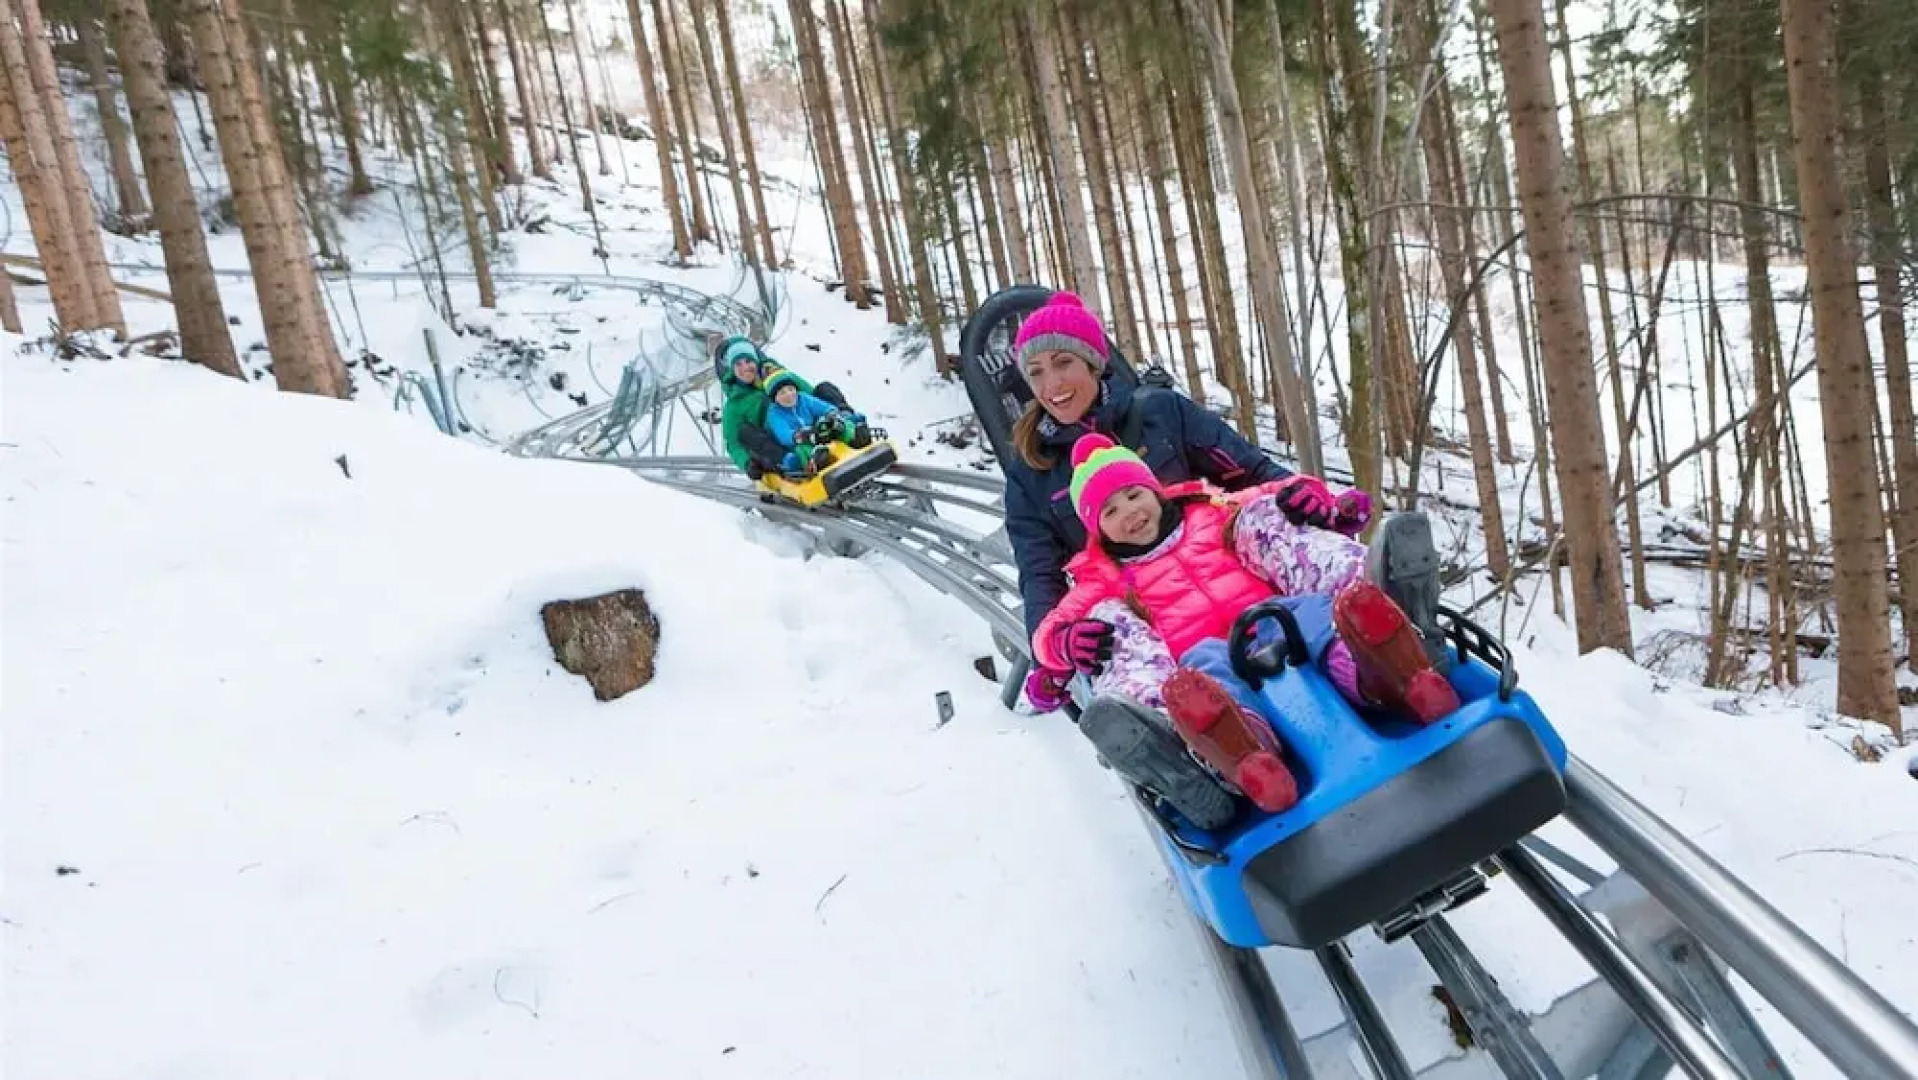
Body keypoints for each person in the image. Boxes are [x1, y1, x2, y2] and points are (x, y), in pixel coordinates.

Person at [1029, 433, 1454, 827]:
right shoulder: (1103, 578)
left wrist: (1323, 502)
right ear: (1096, 528)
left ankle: (1386, 657)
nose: (1130, 513)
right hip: (1207, 667)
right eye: (1110, 511)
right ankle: (1236, 754)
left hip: (1279, 621)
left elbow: (1282, 489)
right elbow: (1055, 627)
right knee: (1113, 626)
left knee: (1265, 524)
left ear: (1156, 491)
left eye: (1134, 494)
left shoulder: (1213, 511)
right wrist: (1059, 651)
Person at [713, 336, 852, 479]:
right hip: (777, 444)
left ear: (756, 360)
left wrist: (830, 413)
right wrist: (746, 463)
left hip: (808, 426)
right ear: (732, 369)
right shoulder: (734, 405)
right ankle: (792, 461)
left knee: (824, 388)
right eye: (738, 364)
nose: (745, 368)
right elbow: (733, 443)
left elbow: (810, 395)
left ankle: (848, 422)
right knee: (746, 433)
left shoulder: (779, 376)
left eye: (748, 361)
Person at [762, 370, 873, 474]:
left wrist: (832, 415)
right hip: (800, 440)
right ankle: (818, 460)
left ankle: (855, 437)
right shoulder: (775, 414)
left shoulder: (803, 399)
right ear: (775, 398)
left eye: (791, 389)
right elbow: (783, 434)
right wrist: (797, 436)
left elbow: (824, 407)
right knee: (802, 449)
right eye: (782, 393)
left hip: (816, 432)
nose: (789, 395)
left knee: (839, 424)